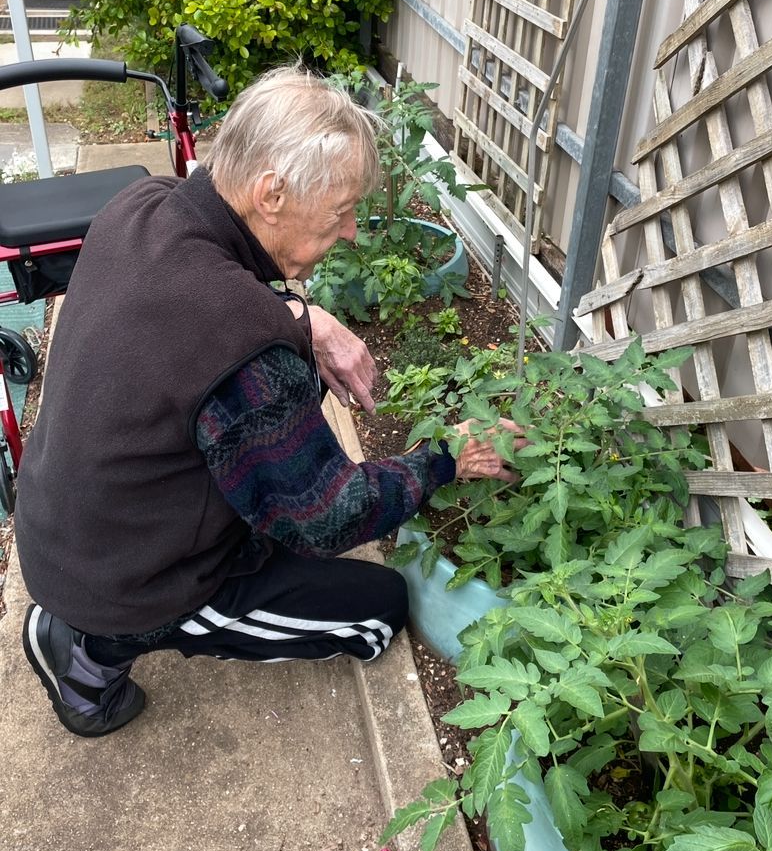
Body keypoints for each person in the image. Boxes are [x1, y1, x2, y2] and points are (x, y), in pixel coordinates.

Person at [15, 65, 524, 738]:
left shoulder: (141, 204)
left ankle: (86, 612)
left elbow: (204, 313)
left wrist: (306, 320)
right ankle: (89, 652)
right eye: (340, 211)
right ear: (272, 193)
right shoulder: (241, 343)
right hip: (133, 582)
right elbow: (327, 517)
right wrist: (444, 459)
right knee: (377, 611)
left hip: (65, 525)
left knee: (278, 426)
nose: (351, 231)